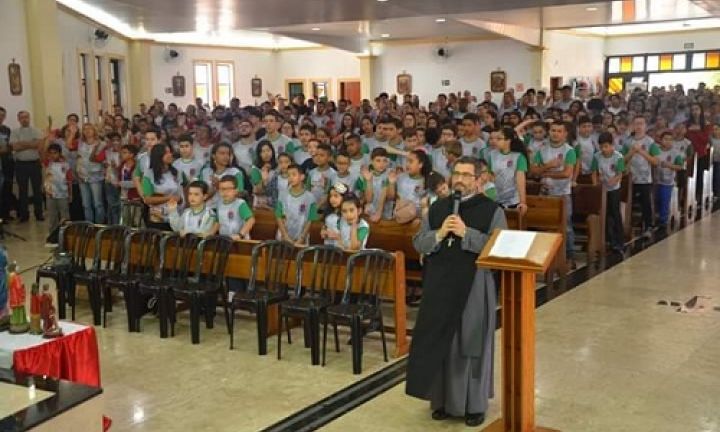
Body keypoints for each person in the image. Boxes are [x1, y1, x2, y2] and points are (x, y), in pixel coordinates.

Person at [406, 156, 507, 427]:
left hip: (473, 283)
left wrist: (467, 233)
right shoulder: (439, 208)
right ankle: (441, 401)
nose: (459, 179)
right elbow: (419, 242)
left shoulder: (492, 210)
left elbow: (498, 248)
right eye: (456, 173)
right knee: (442, 340)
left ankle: (473, 405)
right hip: (440, 282)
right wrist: (439, 235)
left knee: (470, 342)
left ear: (478, 178)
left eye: (466, 174)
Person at [531, 121, 577, 267]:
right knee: (544, 225)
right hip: (545, 193)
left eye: (559, 131)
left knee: (566, 226)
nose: (555, 133)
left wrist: (546, 173)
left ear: (565, 134)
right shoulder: (542, 150)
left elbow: (566, 173)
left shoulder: (569, 151)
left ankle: (569, 256)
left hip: (562, 194)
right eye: (553, 130)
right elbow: (534, 171)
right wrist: (549, 166)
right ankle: (545, 256)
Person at [622, 116, 659, 238]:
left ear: (645, 126)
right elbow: (621, 160)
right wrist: (632, 152)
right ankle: (627, 226)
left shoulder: (650, 142)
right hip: (630, 178)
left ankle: (648, 226)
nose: (638, 126)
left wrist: (641, 152)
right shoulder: (627, 141)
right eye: (636, 124)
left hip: (645, 178)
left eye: (641, 124)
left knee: (645, 203)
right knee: (627, 203)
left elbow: (656, 161)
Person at [592, 132, 625, 254]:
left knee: (615, 214)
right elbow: (594, 172)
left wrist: (613, 181)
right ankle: (608, 240)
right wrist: (595, 185)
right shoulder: (597, 156)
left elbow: (620, 174)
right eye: (601, 147)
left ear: (612, 145)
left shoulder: (618, 157)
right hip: (602, 189)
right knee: (605, 214)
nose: (604, 149)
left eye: (606, 146)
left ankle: (619, 242)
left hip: (614, 189)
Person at [141, 143, 186, 231]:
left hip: (175, 215)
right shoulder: (149, 174)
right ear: (158, 156)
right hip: (157, 217)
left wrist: (181, 200)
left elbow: (184, 190)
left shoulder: (177, 172)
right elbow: (147, 199)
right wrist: (169, 198)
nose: (170, 155)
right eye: (166, 153)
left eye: (170, 152)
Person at [10, 111, 44, 222]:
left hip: (35, 163)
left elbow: (39, 145)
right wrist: (31, 143)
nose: (24, 119)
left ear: (29, 118)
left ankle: (39, 214)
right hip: (21, 164)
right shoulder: (14, 132)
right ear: (18, 119)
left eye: (26, 117)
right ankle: (24, 215)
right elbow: (15, 147)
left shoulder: (37, 130)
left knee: (37, 190)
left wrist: (22, 143)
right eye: (22, 118)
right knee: (22, 190)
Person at [486, 127, 528, 214]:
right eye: (494, 138)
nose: (495, 141)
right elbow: (489, 176)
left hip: (513, 199)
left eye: (499, 139)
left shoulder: (519, 156)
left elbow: (520, 181)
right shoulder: (492, 154)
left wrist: (523, 202)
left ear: (508, 140)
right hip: (496, 198)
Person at [275, 163, 318, 245]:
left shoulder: (310, 197)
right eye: (288, 175)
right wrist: (285, 236)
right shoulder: (282, 195)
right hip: (284, 236)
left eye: (294, 174)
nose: (290, 178)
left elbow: (310, 220)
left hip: (301, 238)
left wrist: (302, 238)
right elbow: (279, 216)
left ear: (302, 177)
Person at [76, 123, 106, 223]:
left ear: (94, 130)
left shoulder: (101, 144)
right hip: (82, 176)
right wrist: (78, 172)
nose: (88, 131)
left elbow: (101, 159)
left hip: (95, 175)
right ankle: (89, 224)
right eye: (85, 129)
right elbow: (78, 159)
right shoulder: (80, 143)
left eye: (90, 129)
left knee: (97, 203)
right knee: (85, 203)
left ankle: (99, 224)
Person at [655, 131, 684, 229]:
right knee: (656, 199)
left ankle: (663, 220)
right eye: (665, 139)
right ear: (661, 140)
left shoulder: (676, 152)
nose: (668, 142)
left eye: (670, 140)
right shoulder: (656, 150)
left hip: (668, 181)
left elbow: (680, 167)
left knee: (664, 200)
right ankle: (656, 217)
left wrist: (669, 165)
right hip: (655, 179)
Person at [43, 143, 73, 235]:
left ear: (59, 153)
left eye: (55, 153)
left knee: (65, 216)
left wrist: (71, 194)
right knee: (52, 216)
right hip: (50, 194)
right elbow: (41, 153)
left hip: (63, 194)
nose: (52, 155)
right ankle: (53, 235)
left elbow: (69, 181)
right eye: (50, 153)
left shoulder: (65, 165)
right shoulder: (48, 163)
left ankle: (66, 235)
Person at [216, 175, 255, 240]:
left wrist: (240, 235)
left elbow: (251, 220)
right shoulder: (219, 204)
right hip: (224, 240)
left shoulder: (240, 203)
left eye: (228, 189)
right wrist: (209, 234)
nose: (225, 192)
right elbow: (217, 223)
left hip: (240, 241)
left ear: (236, 190)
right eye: (222, 189)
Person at [321, 182, 345, 246]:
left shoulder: (346, 214)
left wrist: (336, 236)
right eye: (330, 196)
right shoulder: (328, 212)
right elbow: (324, 227)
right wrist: (323, 231)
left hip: (341, 247)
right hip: (328, 247)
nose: (332, 199)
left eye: (336, 196)